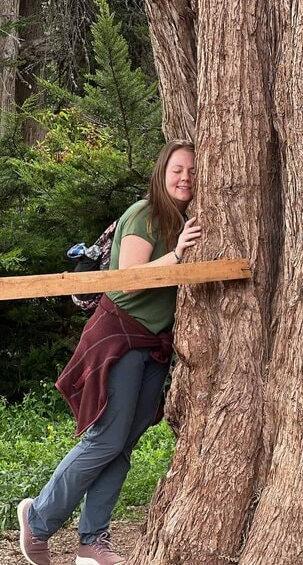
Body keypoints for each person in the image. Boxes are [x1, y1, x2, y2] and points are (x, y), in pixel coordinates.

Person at [17, 139, 200, 565]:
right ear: (161, 173)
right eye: (177, 169)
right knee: (106, 438)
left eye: (193, 171)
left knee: (124, 443)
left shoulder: (183, 220)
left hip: (154, 345)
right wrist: (177, 254)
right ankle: (37, 518)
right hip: (120, 336)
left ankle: (91, 542)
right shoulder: (144, 214)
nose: (185, 178)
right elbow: (128, 281)